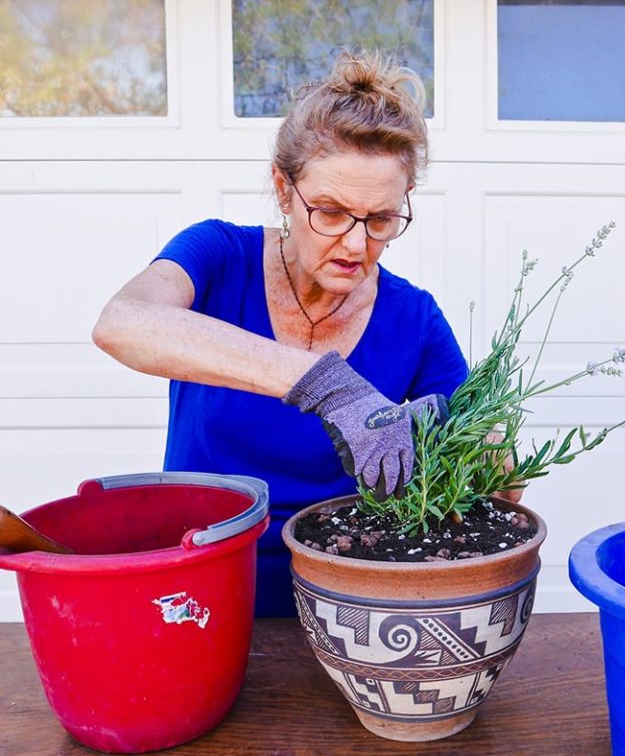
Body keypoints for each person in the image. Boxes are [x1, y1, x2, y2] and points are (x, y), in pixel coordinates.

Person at [92, 50, 469, 617]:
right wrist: (332, 388)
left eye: (381, 220)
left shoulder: (413, 318)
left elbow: (497, 478)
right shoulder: (219, 256)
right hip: (198, 586)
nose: (354, 244)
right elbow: (121, 324)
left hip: (345, 601)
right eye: (330, 211)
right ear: (284, 189)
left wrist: (438, 432)